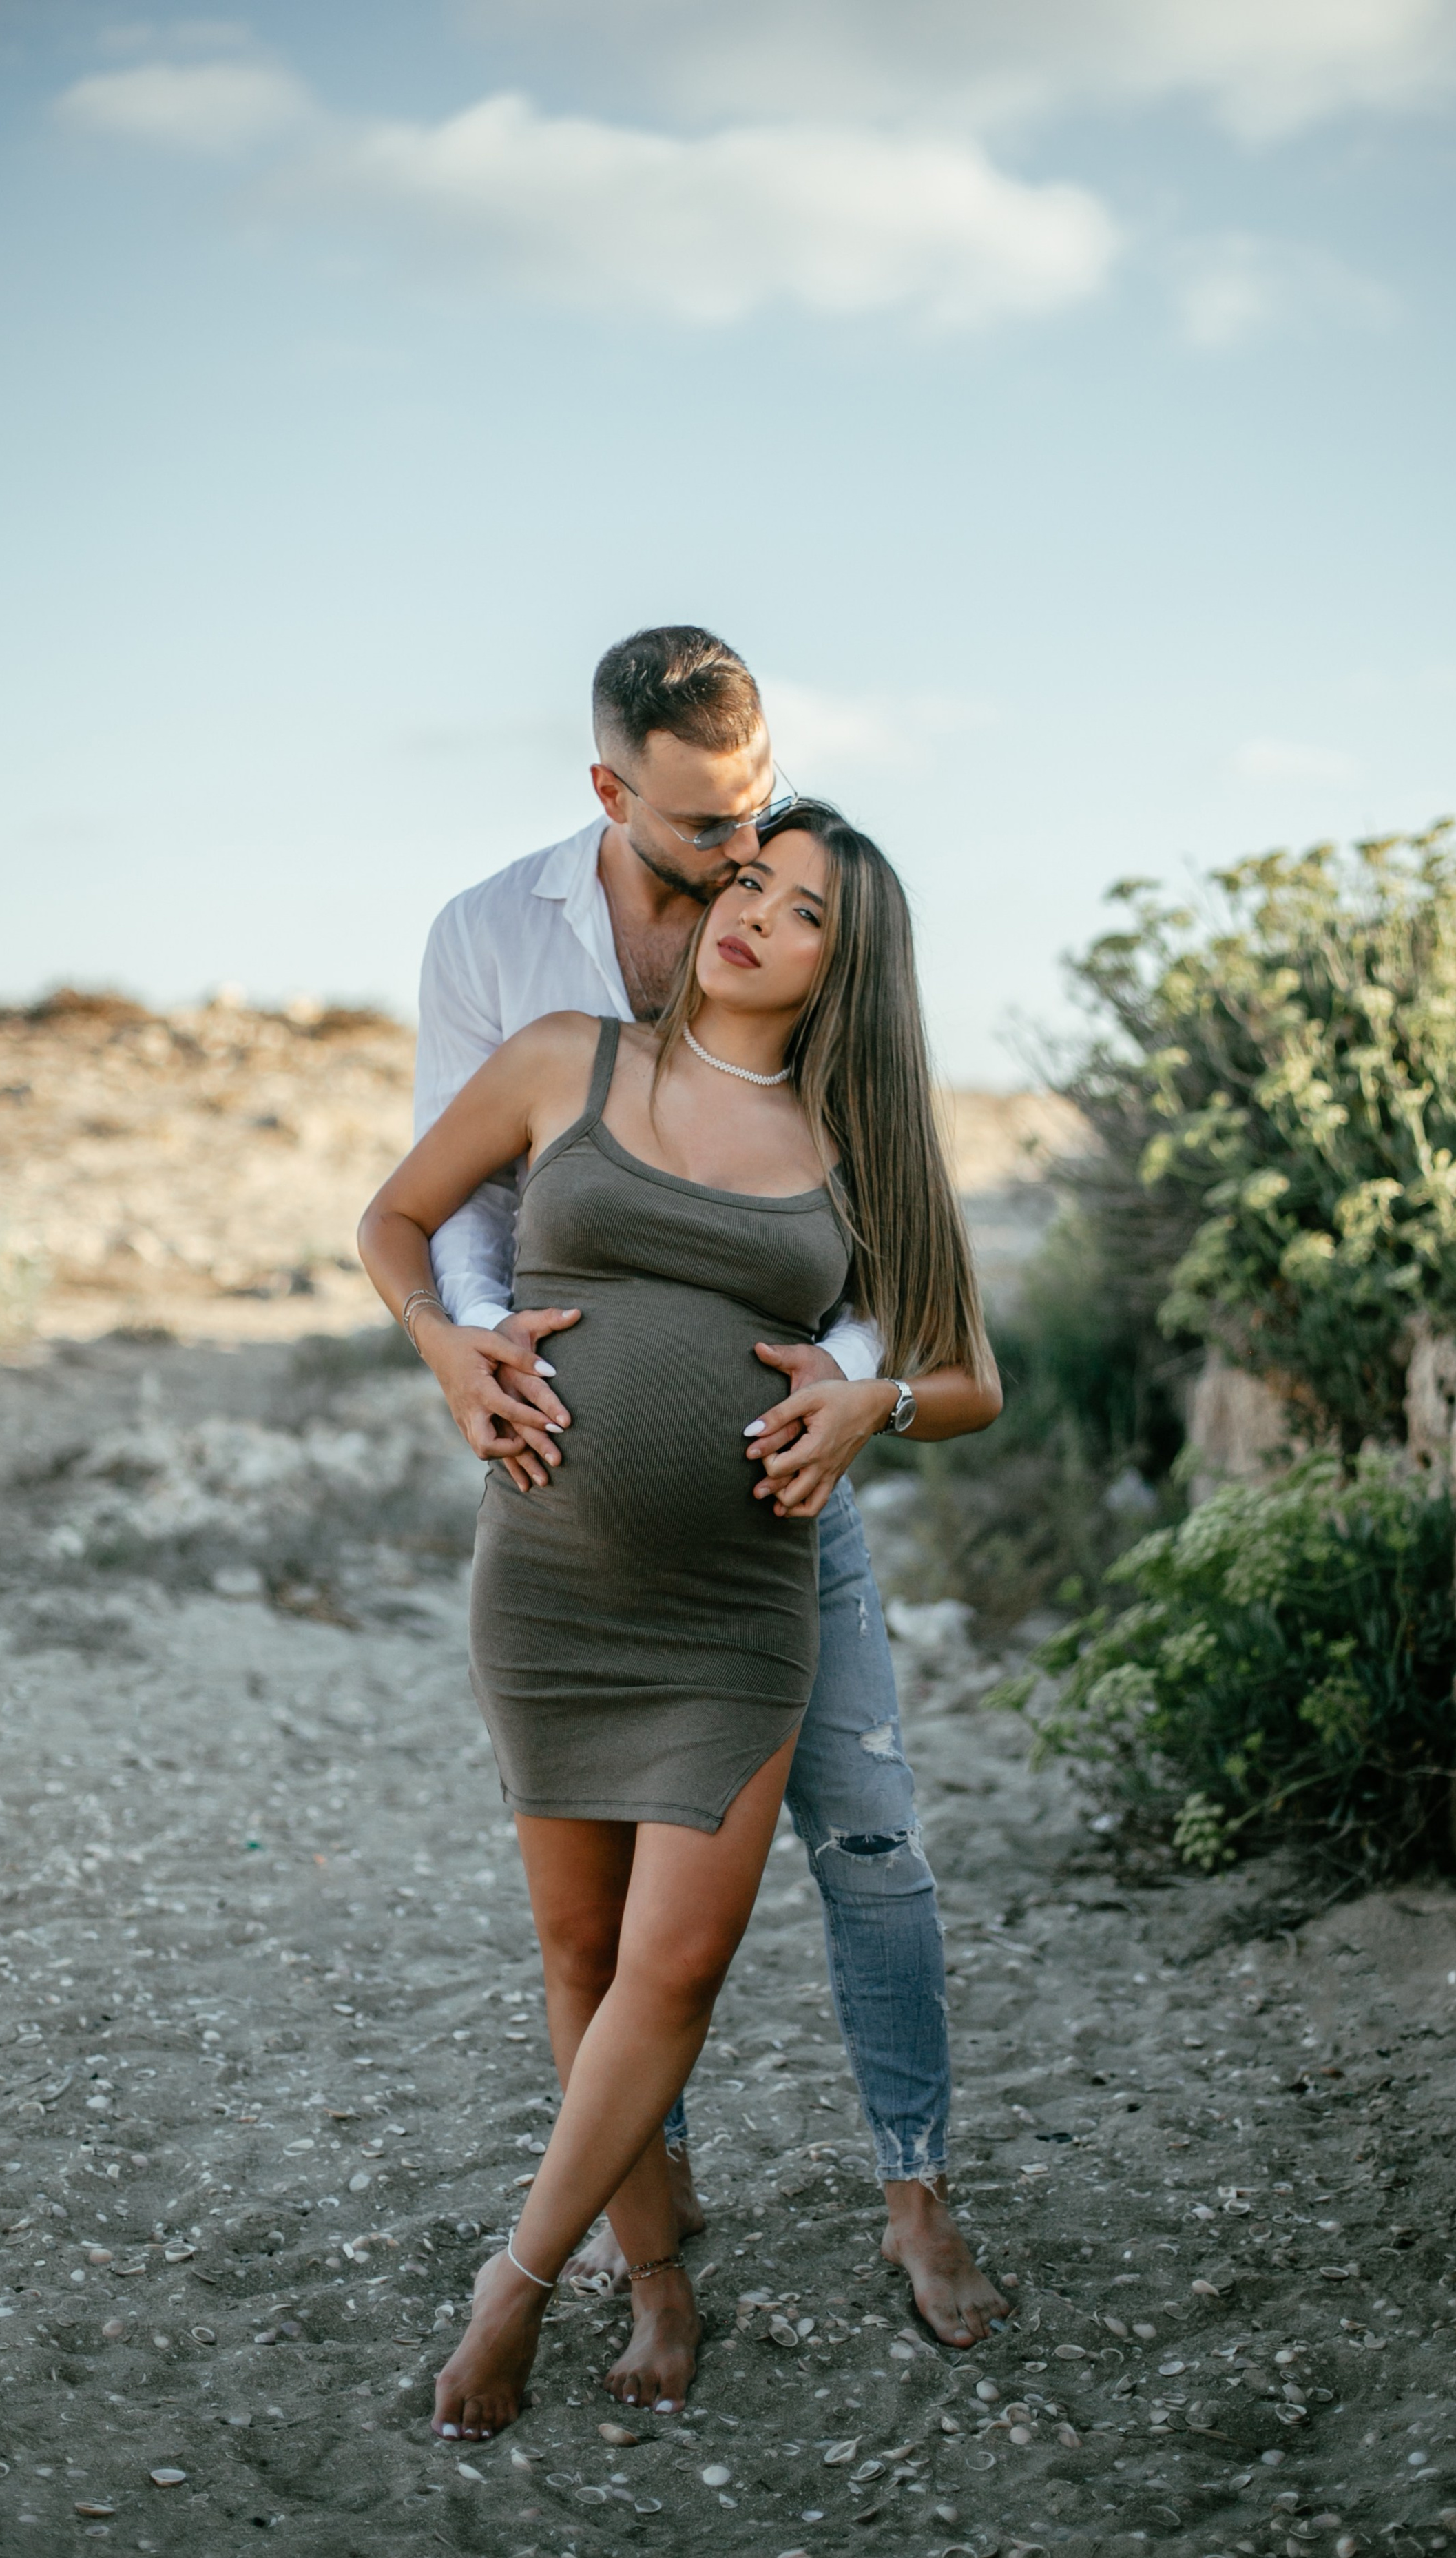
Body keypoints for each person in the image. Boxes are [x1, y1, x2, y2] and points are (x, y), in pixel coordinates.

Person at [359, 800, 1000, 2437]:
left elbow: (969, 1379)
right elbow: (392, 1220)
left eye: (799, 915)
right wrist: (444, 1343)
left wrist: (875, 1412)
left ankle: (510, 2290)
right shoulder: (562, 1057)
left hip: (735, 1608)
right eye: (751, 886)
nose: (753, 920)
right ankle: (653, 2278)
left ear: (843, 967)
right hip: (553, 1587)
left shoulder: (859, 1145)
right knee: (578, 1952)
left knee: (678, 1963)